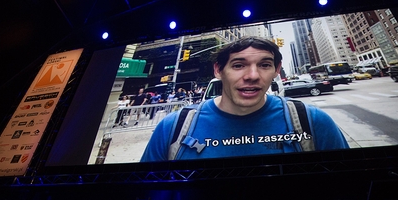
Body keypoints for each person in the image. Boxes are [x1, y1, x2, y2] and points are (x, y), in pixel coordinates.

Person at [141, 36, 349, 162]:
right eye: (238, 65)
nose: (252, 76)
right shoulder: (172, 128)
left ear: (276, 70)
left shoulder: (314, 122)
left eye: (265, 65)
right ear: (218, 70)